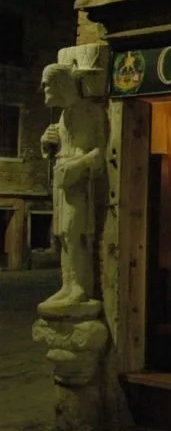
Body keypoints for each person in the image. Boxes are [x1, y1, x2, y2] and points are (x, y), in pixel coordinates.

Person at [37, 63, 106, 314]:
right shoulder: (63, 117)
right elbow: (58, 150)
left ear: (62, 84)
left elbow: (100, 152)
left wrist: (78, 165)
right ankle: (68, 283)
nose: (44, 88)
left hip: (77, 182)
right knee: (63, 236)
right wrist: (47, 144)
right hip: (62, 180)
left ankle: (79, 286)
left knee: (75, 232)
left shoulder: (91, 112)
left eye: (48, 83)